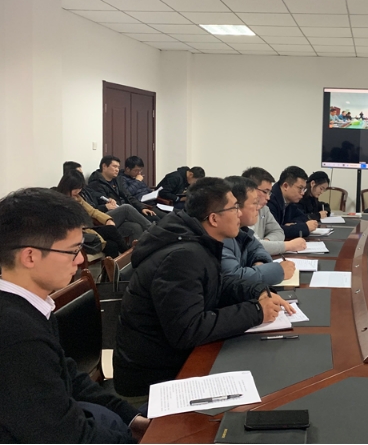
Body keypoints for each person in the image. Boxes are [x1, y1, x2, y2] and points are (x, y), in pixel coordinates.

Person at [113, 177, 294, 397]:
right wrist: (256, 311)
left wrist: (257, 292)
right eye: (234, 208)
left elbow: (217, 284)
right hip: (154, 379)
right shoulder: (182, 256)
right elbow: (189, 330)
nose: (239, 214)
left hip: (173, 359)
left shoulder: (197, 240)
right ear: (214, 219)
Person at [0, 188, 150, 443]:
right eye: (72, 251)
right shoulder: (16, 334)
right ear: (30, 256)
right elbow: (60, 434)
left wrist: (131, 418)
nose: (81, 259)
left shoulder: (31, 306)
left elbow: (67, 373)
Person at [221, 176, 295, 285]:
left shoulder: (242, 230)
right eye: (255, 203)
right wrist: (279, 271)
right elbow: (234, 278)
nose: (258, 208)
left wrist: (259, 263)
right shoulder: (221, 235)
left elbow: (257, 248)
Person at [57, 170, 129, 258]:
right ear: (67, 186)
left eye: (80, 188)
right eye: (75, 189)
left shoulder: (77, 198)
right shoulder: (59, 202)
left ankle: (119, 263)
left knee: (112, 239)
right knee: (111, 239)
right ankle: (129, 256)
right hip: (78, 235)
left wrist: (107, 220)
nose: (78, 191)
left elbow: (92, 211)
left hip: (87, 230)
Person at [241, 167, 307, 255]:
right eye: (265, 192)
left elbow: (279, 232)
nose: (268, 197)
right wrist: (289, 245)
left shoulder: (264, 209)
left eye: (269, 193)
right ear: (250, 190)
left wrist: (266, 243)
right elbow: (252, 246)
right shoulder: (242, 213)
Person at [88, 156, 160, 221]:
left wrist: (142, 208)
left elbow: (128, 195)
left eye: (118, 167)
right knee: (136, 226)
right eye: (114, 166)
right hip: (113, 214)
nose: (117, 170)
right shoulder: (95, 183)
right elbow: (101, 204)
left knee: (152, 216)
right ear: (104, 166)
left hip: (127, 208)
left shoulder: (117, 180)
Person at [267, 166, 319, 241]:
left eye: (304, 189)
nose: (302, 193)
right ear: (286, 186)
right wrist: (304, 228)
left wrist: (292, 225)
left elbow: (303, 217)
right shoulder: (270, 201)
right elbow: (274, 231)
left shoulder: (289, 201)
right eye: (300, 188)